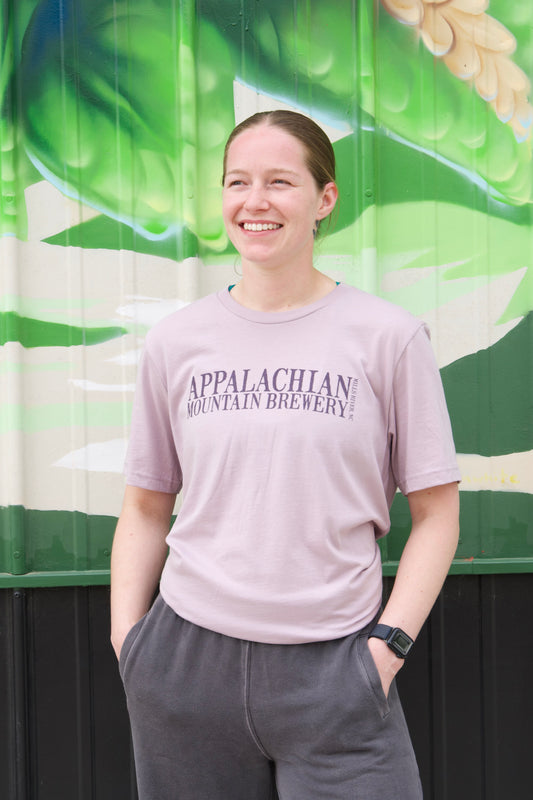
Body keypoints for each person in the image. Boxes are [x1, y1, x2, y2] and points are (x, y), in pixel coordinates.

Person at [111, 110, 461, 800]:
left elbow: (437, 514)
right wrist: (131, 645)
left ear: (323, 199)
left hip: (336, 667)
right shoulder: (178, 342)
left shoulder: (386, 338)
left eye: (279, 181)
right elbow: (146, 506)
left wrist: (384, 651)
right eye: (237, 182)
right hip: (185, 667)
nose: (255, 201)